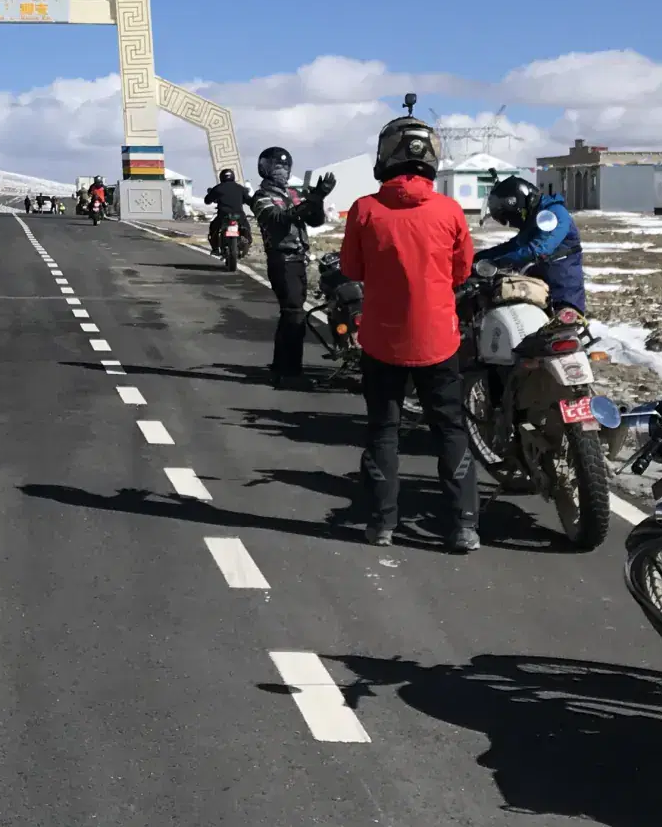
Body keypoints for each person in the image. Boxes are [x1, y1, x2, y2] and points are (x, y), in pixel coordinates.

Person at [340, 110, 478, 551]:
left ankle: (382, 523)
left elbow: (351, 268)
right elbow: (462, 271)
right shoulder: (449, 210)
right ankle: (463, 525)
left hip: (382, 339)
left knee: (384, 430)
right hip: (438, 338)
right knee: (450, 430)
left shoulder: (365, 209)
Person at [251, 146, 335, 386]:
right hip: (281, 259)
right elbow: (277, 219)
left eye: (285, 167)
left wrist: (317, 199)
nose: (282, 171)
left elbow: (315, 220)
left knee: (291, 313)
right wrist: (311, 200)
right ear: (265, 169)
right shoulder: (261, 196)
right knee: (294, 314)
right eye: (277, 167)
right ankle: (290, 374)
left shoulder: (293, 193)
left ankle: (281, 365)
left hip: (298, 258)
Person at [476, 175, 585, 315]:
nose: (511, 222)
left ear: (516, 204)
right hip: (538, 288)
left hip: (563, 292)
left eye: (508, 217)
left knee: (563, 326)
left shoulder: (554, 213)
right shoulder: (533, 217)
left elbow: (539, 249)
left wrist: (498, 262)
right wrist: (480, 257)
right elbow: (515, 246)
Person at [204, 166, 253, 253]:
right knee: (246, 227)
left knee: (213, 228)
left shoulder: (218, 188)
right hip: (239, 215)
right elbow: (250, 201)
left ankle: (215, 248)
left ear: (221, 177)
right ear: (233, 176)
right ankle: (246, 241)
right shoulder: (240, 188)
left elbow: (207, 200)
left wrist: (212, 196)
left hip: (223, 215)